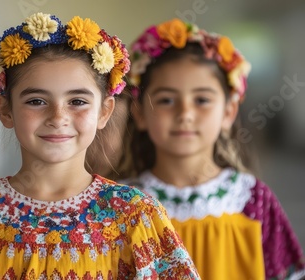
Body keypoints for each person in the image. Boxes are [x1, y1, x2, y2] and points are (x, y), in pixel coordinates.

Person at [0, 13, 200, 279]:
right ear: (5, 110)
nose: (58, 118)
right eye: (36, 101)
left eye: (77, 101)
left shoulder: (136, 214)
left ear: (104, 112)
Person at [123, 18, 305, 279]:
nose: (185, 113)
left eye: (202, 100)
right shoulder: (120, 206)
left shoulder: (252, 200)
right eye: (166, 99)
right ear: (139, 112)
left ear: (229, 111)